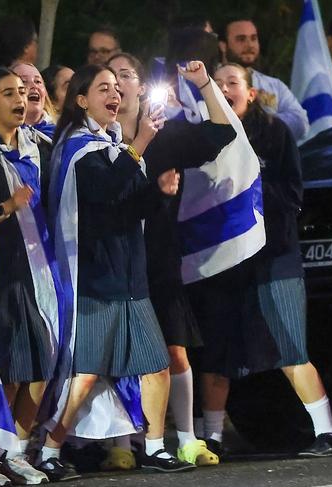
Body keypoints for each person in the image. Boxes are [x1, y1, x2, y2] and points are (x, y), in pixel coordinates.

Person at [38, 63, 193, 478]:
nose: (114, 95)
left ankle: (157, 447)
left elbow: (127, 207)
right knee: (86, 375)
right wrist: (140, 144)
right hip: (94, 278)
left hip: (130, 277)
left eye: (116, 88)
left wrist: (158, 193)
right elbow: (104, 193)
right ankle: (51, 448)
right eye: (102, 88)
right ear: (81, 99)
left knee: (156, 365)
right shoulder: (77, 149)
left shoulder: (112, 145)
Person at [200, 62, 332, 458]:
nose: (226, 88)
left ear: (250, 93)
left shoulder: (275, 132)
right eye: (219, 83)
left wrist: (250, 186)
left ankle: (327, 432)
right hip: (226, 261)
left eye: (234, 83)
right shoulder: (203, 137)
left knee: (290, 348)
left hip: (274, 257)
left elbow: (293, 195)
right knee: (220, 352)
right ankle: (211, 437)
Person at [109, 53, 231, 467]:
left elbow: (221, 132)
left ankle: (188, 439)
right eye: (110, 78)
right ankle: (121, 445)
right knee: (118, 355)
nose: (118, 84)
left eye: (127, 75)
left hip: (160, 260)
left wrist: (203, 84)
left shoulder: (165, 136)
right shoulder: (96, 142)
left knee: (174, 351)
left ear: (142, 88)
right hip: (114, 261)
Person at [0, 66, 61, 486]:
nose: (20, 100)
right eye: (8, 93)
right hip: (0, 274)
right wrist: (9, 206)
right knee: (8, 368)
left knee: (41, 365)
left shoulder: (37, 146)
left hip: (40, 272)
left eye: (22, 92)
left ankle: (16, 450)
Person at [217, 17, 309, 140]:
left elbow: (301, 124)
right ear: (223, 46)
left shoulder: (274, 85)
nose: (249, 45)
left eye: (253, 38)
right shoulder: (209, 82)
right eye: (241, 39)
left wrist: (260, 122)